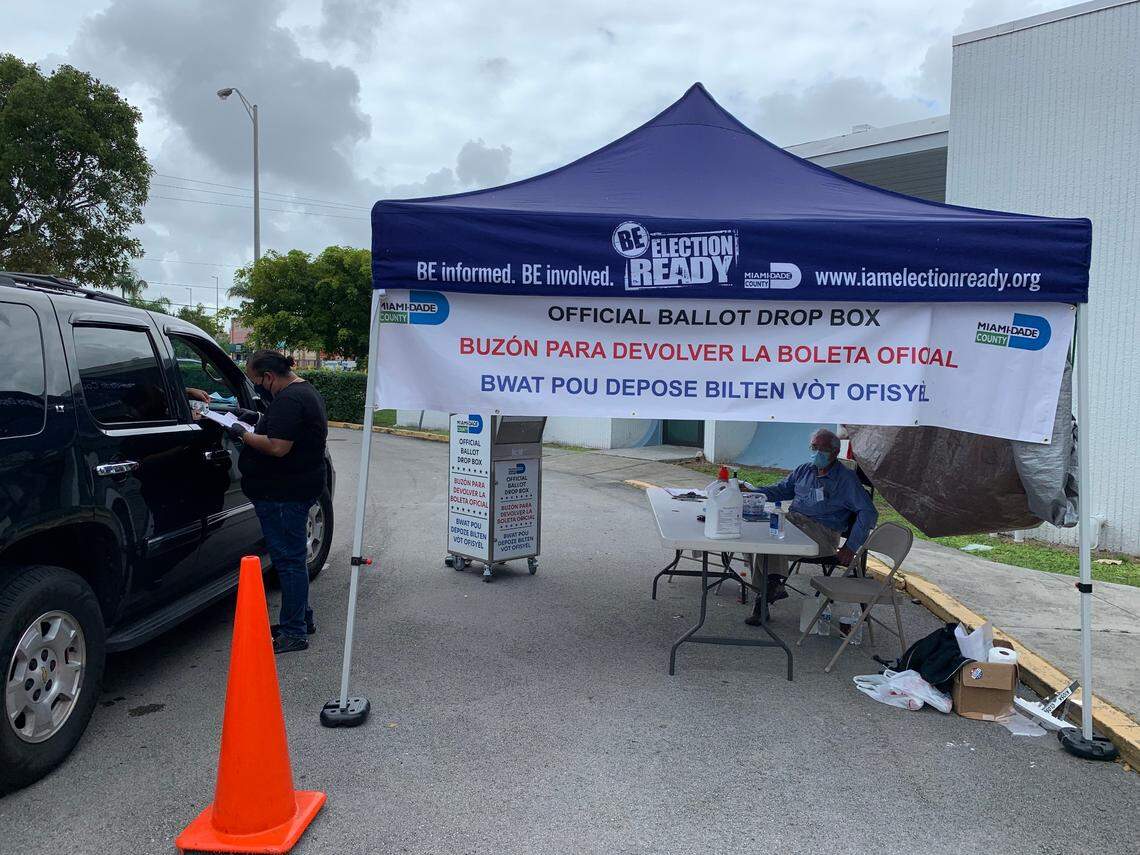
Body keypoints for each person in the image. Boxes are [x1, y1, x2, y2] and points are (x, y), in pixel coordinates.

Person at [225, 350, 328, 654]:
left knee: (289, 562)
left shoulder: (290, 399)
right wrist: (253, 418)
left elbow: (277, 446)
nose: (257, 387)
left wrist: (242, 434)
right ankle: (300, 619)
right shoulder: (303, 392)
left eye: (256, 381)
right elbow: (282, 427)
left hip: (284, 494)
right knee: (293, 559)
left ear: (268, 377)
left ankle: (294, 632)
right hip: (295, 488)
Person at [745, 427, 877, 624]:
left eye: (821, 449)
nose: (816, 452)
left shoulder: (845, 479)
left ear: (834, 452)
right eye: (813, 447)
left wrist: (851, 546)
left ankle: (767, 593)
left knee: (773, 540)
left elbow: (868, 512)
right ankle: (771, 587)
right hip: (794, 522)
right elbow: (781, 490)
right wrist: (751, 492)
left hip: (822, 533)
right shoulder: (804, 470)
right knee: (761, 534)